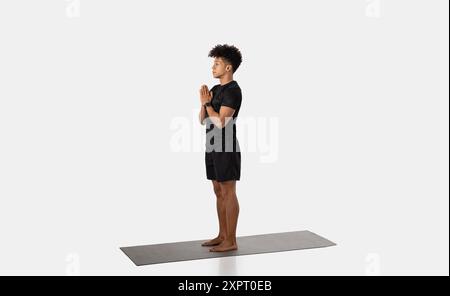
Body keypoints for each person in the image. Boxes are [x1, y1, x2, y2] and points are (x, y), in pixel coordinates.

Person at [198, 44, 243, 252]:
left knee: (228, 191)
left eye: (217, 63)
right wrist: (203, 104)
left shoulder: (234, 90)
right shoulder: (215, 90)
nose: (213, 67)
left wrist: (208, 105)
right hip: (212, 144)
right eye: (212, 63)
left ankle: (231, 241)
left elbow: (222, 123)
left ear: (228, 68)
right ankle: (222, 235)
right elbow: (202, 120)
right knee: (217, 191)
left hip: (226, 145)